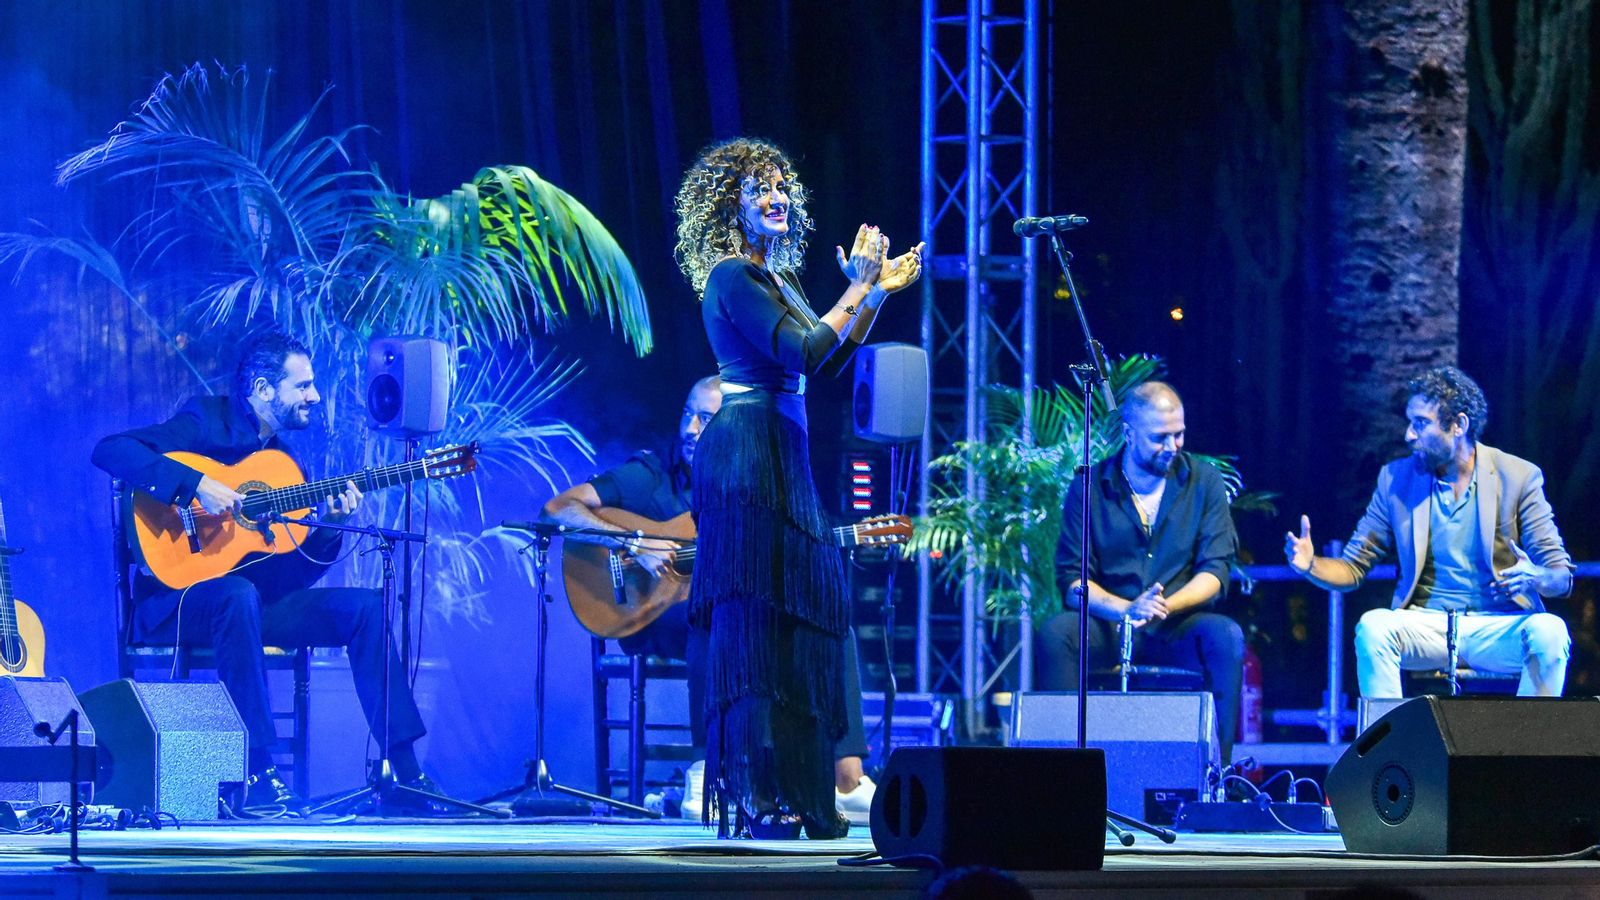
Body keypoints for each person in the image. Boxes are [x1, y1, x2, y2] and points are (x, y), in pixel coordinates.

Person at [672, 136, 922, 838]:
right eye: (760, 188)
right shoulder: (731, 277)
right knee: (756, 625)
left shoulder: (777, 279)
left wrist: (872, 293)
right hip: (748, 452)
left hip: (783, 450)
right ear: (732, 206)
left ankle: (803, 789)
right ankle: (754, 795)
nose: (777, 195)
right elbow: (806, 349)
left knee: (803, 619)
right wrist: (857, 287)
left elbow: (831, 364)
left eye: (782, 185)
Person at [92, 331, 437, 813]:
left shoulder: (282, 463)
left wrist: (328, 529)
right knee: (237, 595)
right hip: (177, 601)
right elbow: (110, 450)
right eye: (303, 386)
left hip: (247, 606)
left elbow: (283, 579)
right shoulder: (203, 419)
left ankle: (407, 774)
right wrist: (197, 485)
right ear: (262, 389)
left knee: (363, 608)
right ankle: (256, 771)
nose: (314, 397)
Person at [539, 375, 877, 822]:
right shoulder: (651, 475)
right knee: (715, 618)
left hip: (727, 616)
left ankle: (845, 778)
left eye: (705, 418)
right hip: (645, 613)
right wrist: (634, 541)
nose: (691, 429)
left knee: (830, 624)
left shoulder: (758, 485)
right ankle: (708, 769)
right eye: (687, 414)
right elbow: (558, 509)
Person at [1286, 366, 1573, 698]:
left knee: (1550, 631)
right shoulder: (1395, 480)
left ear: (1459, 425)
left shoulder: (1519, 476)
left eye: (1421, 423)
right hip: (1428, 626)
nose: (1409, 434)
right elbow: (1353, 567)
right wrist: (1310, 565)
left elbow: (1560, 576)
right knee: (1374, 627)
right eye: (1410, 422)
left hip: (1497, 627)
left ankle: (1529, 749)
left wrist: (1536, 576)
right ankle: (1390, 747)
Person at [1036, 381, 1244, 764]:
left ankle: (1217, 774)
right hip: (1110, 625)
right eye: (1160, 437)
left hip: (1176, 624)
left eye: (1179, 434)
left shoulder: (1205, 481)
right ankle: (1059, 775)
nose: (1173, 446)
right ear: (1129, 434)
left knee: (1225, 636)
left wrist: (1159, 607)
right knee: (1057, 633)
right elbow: (1072, 581)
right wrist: (1127, 610)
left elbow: (1215, 571)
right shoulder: (1090, 485)